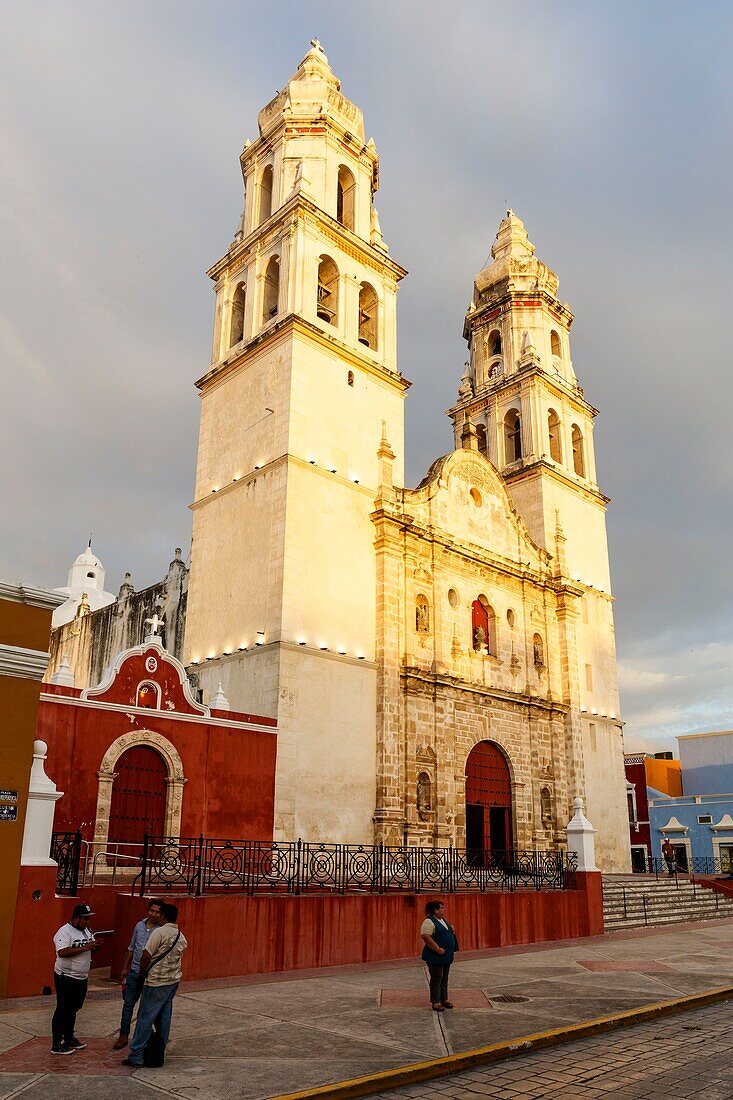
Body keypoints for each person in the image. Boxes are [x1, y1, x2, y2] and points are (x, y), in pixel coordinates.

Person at [122, 902, 187, 1067]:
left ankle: (136, 1053)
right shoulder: (180, 935)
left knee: (145, 1017)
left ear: (163, 916)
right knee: (164, 1018)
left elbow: (145, 955)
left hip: (156, 981)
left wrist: (143, 973)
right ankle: (159, 1050)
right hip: (172, 981)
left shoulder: (159, 932)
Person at [51, 903, 102, 1055]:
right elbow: (62, 952)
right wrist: (86, 947)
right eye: (85, 919)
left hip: (81, 977)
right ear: (75, 918)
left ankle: (69, 1037)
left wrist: (95, 946)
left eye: (88, 919)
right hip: (65, 977)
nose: (88, 922)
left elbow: (89, 949)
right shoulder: (64, 932)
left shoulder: (87, 931)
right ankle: (56, 1043)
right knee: (62, 1008)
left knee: (74, 1008)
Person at [112, 899, 163, 1050]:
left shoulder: (161, 930)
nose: (154, 914)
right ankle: (123, 1034)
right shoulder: (139, 926)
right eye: (152, 911)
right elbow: (132, 947)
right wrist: (125, 968)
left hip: (150, 974)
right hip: (134, 971)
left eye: (157, 912)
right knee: (128, 1004)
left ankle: (144, 1034)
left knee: (146, 1007)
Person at [420, 899, 458, 1012]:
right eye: (441, 908)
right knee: (437, 978)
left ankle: (444, 999)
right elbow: (426, 936)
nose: (443, 910)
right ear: (435, 910)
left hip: (446, 955)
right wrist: (437, 949)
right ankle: (435, 1001)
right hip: (435, 955)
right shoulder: (429, 921)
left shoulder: (442, 920)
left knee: (444, 978)